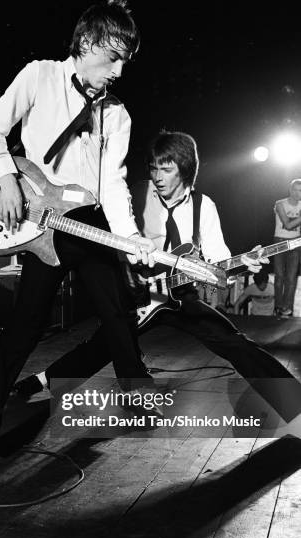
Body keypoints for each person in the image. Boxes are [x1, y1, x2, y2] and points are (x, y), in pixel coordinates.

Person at [0, 0, 164, 500]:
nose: (119, 71)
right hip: (41, 221)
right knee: (20, 334)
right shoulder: (39, 76)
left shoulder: (116, 113)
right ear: (86, 45)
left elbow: (113, 184)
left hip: (88, 223)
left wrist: (132, 238)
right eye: (113, 58)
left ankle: (135, 392)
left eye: (126, 61)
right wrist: (6, 179)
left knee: (119, 308)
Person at [17, 130, 301, 436]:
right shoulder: (134, 195)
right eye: (154, 168)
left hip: (180, 293)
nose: (158, 176)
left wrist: (242, 262)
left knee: (235, 343)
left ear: (186, 168)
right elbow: (113, 241)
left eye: (167, 169)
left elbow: (218, 260)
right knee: (102, 347)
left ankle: (295, 408)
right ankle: (43, 381)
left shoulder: (203, 206)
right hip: (134, 290)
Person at [273, 179, 301, 316]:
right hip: (280, 242)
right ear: (290, 190)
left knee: (291, 278)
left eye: (300, 190)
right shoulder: (280, 204)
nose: (297, 193)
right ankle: (278, 306)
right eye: (295, 190)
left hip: (296, 243)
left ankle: (287, 309)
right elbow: (288, 225)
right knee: (279, 276)